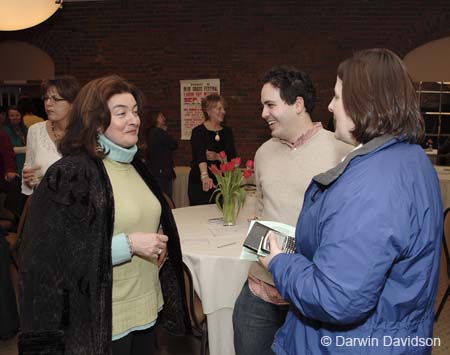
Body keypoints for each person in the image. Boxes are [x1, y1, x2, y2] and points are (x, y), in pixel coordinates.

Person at [260, 49, 443, 354]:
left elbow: (335, 297)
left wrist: (279, 263)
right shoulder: (411, 158)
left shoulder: (373, 182)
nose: (330, 106)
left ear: (364, 102)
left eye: (337, 96)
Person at [18, 75, 191, 355]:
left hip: (146, 308)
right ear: (96, 121)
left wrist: (157, 236)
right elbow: (50, 258)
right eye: (121, 113)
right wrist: (130, 245)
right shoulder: (72, 173)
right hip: (103, 321)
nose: (133, 119)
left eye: (135, 111)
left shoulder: (135, 165)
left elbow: (139, 215)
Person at [233, 67, 352, 355]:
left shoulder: (339, 151)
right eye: (263, 105)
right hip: (261, 288)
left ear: (298, 104)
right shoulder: (263, 153)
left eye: (270, 104)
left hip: (309, 295)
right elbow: (262, 209)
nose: (263, 113)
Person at [21, 76, 80, 195]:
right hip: (44, 206)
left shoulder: (86, 132)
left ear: (73, 103)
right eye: (46, 98)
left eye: (55, 99)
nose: (48, 103)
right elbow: (28, 166)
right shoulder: (35, 131)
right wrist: (28, 181)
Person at [188, 93, 237, 205]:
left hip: (222, 183)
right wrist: (205, 176)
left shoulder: (227, 132)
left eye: (224, 108)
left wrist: (217, 157)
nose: (223, 111)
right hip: (201, 182)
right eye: (219, 108)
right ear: (208, 111)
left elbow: (232, 159)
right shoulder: (198, 132)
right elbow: (200, 156)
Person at [146, 111, 178, 199]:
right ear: (156, 119)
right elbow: (174, 144)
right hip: (161, 172)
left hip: (157, 170)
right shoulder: (158, 132)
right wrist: (165, 132)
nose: (164, 118)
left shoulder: (151, 132)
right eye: (161, 116)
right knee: (165, 197)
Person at [3, 106, 27, 176]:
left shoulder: (24, 129)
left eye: (17, 115)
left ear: (21, 116)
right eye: (12, 115)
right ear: (8, 117)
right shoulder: (4, 130)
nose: (15, 117)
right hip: (11, 165)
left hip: (24, 163)